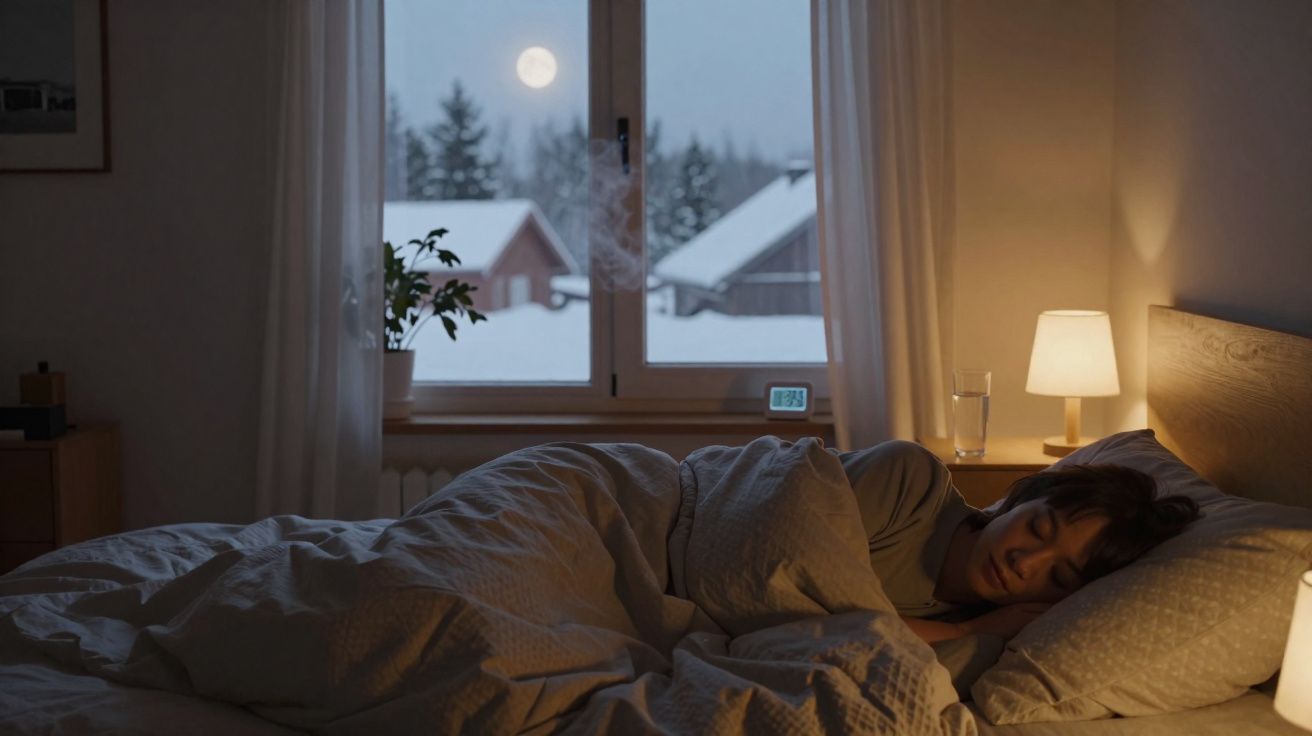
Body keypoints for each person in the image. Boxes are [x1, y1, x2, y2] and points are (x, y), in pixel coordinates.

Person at [837, 440, 1200, 644]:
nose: (1024, 562)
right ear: (1021, 499)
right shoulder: (908, 483)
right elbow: (795, 604)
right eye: (1038, 528)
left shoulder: (994, 630)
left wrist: (967, 632)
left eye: (1058, 576)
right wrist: (959, 632)